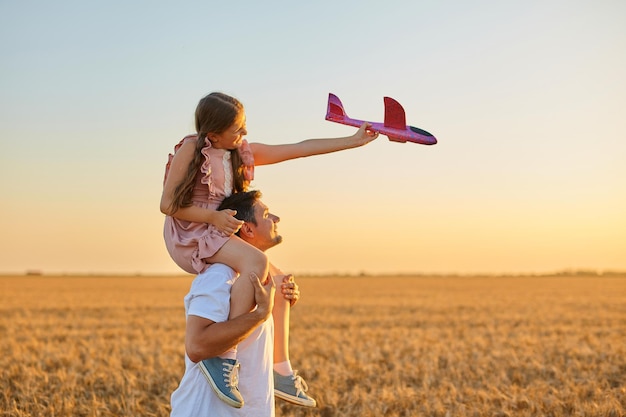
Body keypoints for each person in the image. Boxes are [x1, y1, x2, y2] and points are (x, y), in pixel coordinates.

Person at [160, 92, 379, 407]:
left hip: (221, 228)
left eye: (244, 126)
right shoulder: (193, 149)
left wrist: (353, 140)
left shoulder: (239, 153)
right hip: (193, 232)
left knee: (279, 281)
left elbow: (298, 149)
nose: (244, 135)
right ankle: (222, 357)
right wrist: (212, 216)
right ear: (213, 134)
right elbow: (168, 205)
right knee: (256, 261)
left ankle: (281, 371)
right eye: (238, 129)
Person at [170, 190, 306, 417]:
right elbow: (197, 345)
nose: (276, 219)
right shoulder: (219, 275)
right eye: (266, 215)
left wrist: (278, 306)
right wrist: (260, 315)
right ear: (248, 229)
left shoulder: (256, 278)